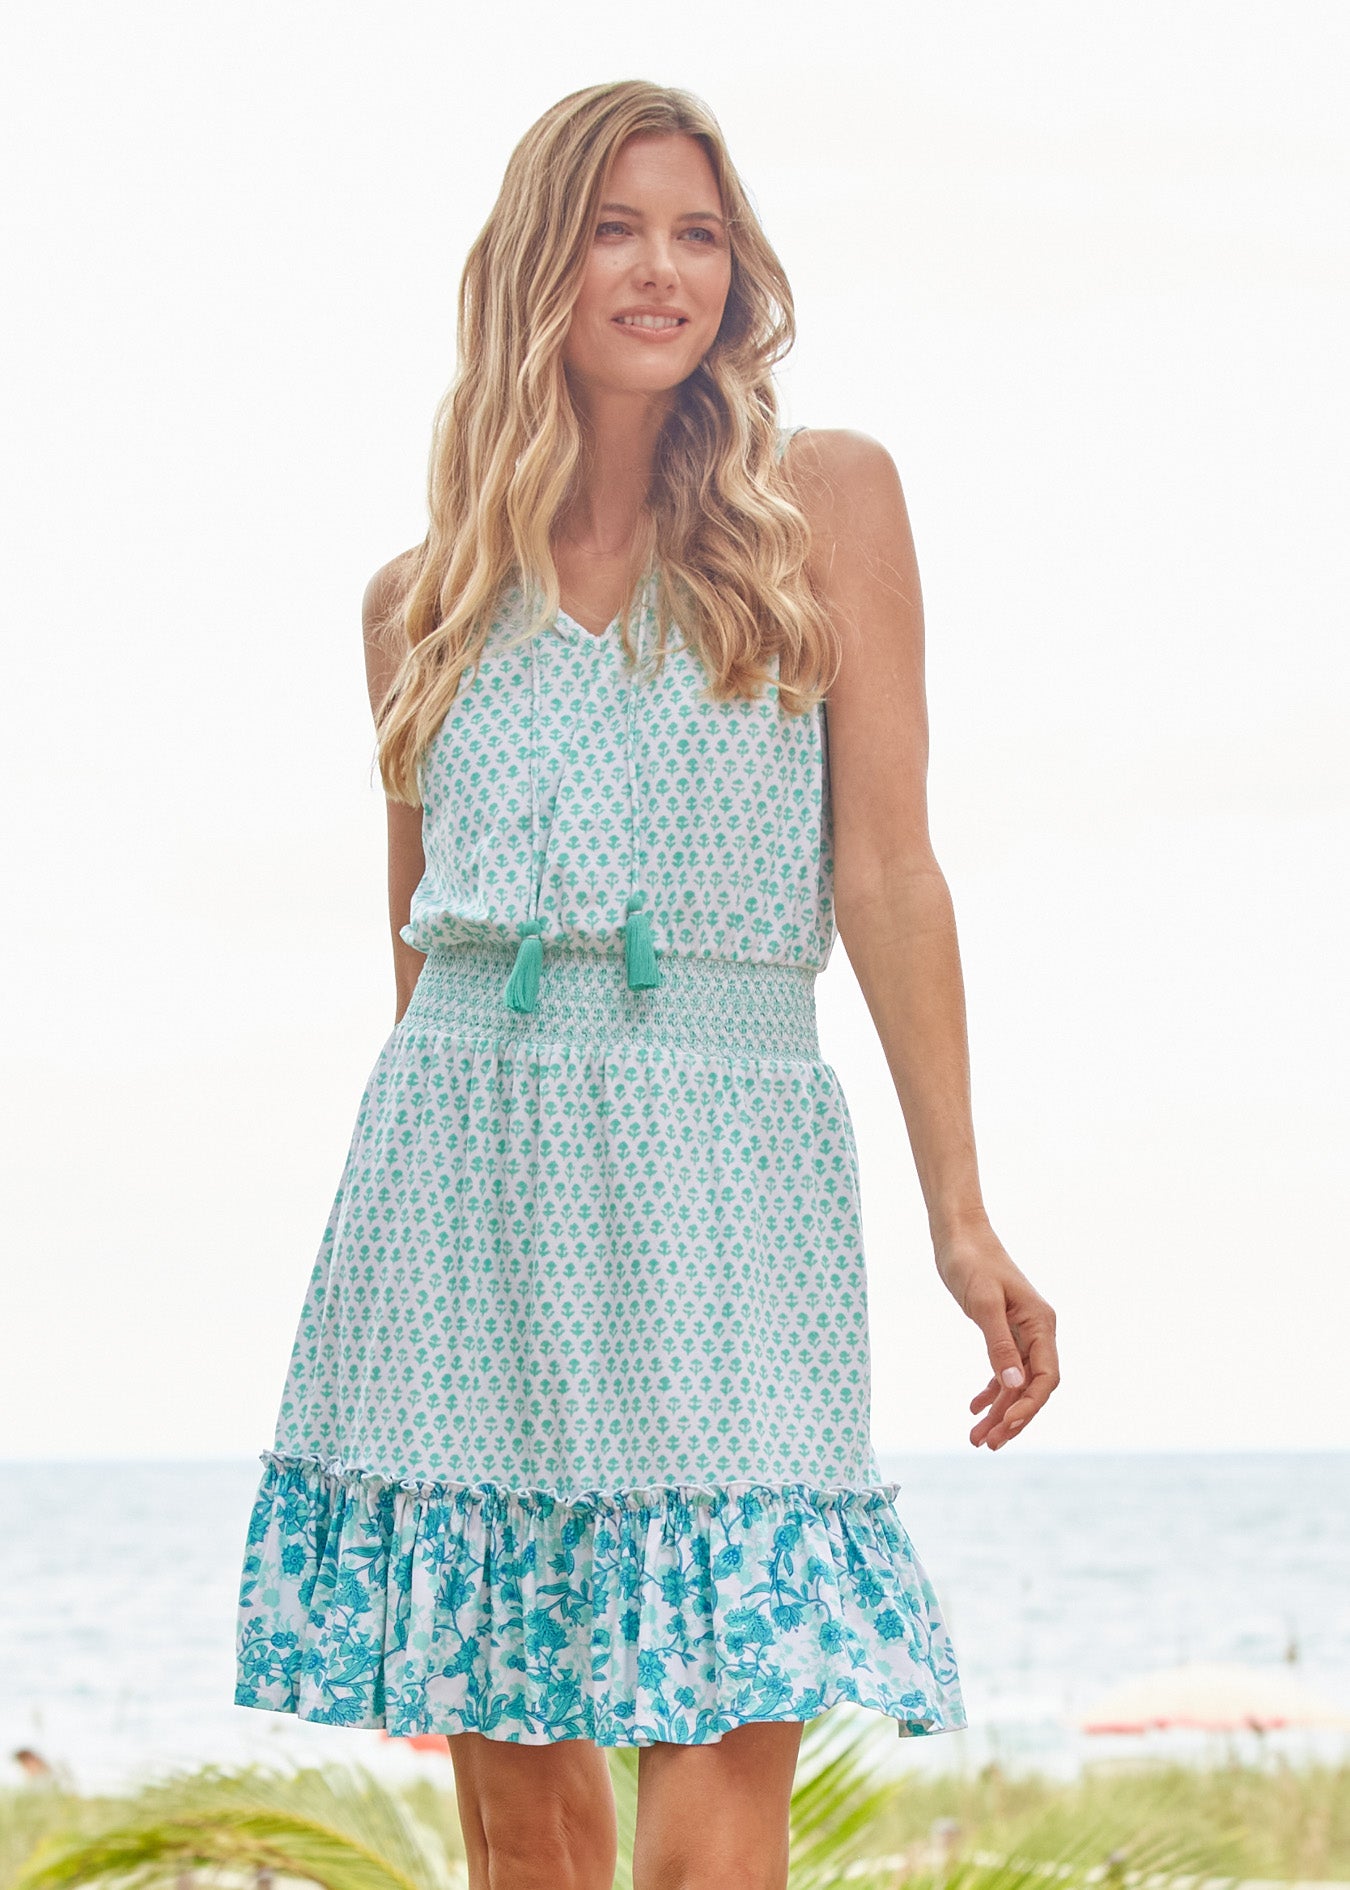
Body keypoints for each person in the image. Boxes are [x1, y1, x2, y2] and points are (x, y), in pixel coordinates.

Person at [233, 78, 1060, 1890]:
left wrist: (960, 1210)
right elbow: (416, 957)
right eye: (614, 229)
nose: (661, 270)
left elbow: (888, 871)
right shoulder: (418, 600)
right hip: (468, 1181)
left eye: (696, 234)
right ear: (538, 265)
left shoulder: (821, 503)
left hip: (731, 1172)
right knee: (526, 1825)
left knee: (716, 1782)